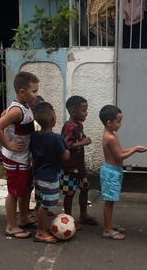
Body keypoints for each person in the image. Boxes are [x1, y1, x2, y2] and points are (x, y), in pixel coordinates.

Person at [0, 71, 39, 239]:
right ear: (22, 92)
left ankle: (24, 217)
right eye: (33, 91)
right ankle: (11, 226)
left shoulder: (23, 107)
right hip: (15, 158)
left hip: (24, 157)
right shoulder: (17, 111)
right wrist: (9, 144)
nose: (36, 94)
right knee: (14, 192)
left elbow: (3, 117)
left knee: (26, 188)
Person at [99, 105, 147, 240]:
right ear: (109, 123)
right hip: (111, 172)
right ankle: (107, 230)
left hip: (114, 171)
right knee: (109, 201)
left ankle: (109, 225)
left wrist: (135, 148)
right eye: (118, 121)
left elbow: (120, 152)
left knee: (111, 200)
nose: (120, 124)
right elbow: (119, 156)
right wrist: (136, 150)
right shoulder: (110, 137)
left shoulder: (112, 135)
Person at [30, 102, 70, 243]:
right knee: (46, 205)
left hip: (39, 175)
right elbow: (65, 156)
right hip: (50, 178)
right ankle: (40, 232)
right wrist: (67, 151)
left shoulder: (34, 136)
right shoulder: (56, 138)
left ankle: (41, 227)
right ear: (53, 118)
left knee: (41, 203)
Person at [61, 96, 99, 229]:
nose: (86, 113)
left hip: (80, 167)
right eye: (84, 110)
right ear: (72, 111)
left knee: (84, 188)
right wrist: (83, 142)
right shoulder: (68, 127)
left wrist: (82, 140)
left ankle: (83, 215)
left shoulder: (79, 125)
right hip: (70, 169)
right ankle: (68, 218)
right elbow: (65, 145)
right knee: (69, 193)